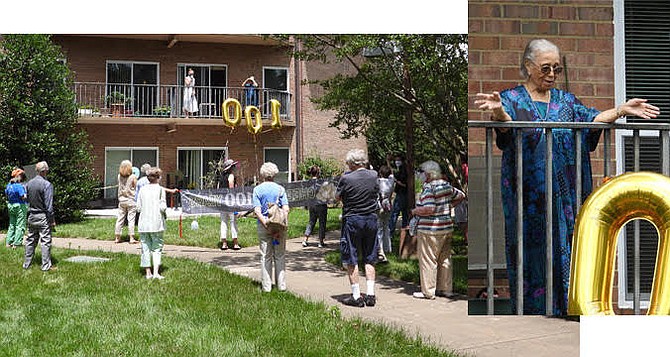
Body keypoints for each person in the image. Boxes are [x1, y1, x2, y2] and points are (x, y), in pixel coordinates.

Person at [474, 38, 660, 315]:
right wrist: (499, 111)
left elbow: (591, 119)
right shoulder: (512, 99)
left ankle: (569, 311)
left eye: (557, 70)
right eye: (545, 68)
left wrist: (621, 110)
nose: (551, 75)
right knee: (531, 253)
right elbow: (506, 127)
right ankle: (534, 314)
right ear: (528, 66)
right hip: (529, 200)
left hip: (567, 197)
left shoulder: (566, 101)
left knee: (571, 249)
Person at [410, 161, 464, 300]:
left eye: (421, 172)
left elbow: (429, 209)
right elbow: (461, 196)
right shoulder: (446, 185)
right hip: (446, 227)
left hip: (430, 229)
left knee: (428, 260)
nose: (420, 175)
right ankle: (445, 289)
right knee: (445, 259)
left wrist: (415, 211)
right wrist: (447, 207)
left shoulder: (429, 188)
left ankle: (428, 291)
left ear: (428, 173)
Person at [337, 149, 380, 307]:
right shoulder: (374, 175)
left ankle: (356, 296)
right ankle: (370, 294)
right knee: (370, 256)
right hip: (371, 218)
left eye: (348, 163)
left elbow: (337, 197)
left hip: (353, 219)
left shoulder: (346, 178)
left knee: (351, 257)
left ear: (353, 163)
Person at [253, 162, 290, 292]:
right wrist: (279, 225)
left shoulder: (257, 189)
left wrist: (266, 224)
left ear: (263, 174)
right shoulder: (280, 189)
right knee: (280, 255)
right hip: (279, 226)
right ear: (274, 173)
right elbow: (286, 209)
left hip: (264, 226)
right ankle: (281, 286)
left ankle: (266, 287)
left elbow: (257, 211)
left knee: (265, 256)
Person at [23, 161, 56, 271]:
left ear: (37, 171)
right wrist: (52, 220)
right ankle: (46, 266)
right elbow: (49, 206)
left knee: (30, 240)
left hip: (32, 215)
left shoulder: (29, 183)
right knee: (45, 241)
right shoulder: (47, 184)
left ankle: (26, 264)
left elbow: (26, 199)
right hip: (43, 217)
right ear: (46, 170)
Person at [136, 167, 168, 279]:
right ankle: (156, 273)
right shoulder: (160, 190)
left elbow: (138, 208)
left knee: (145, 248)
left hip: (143, 223)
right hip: (156, 223)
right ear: (158, 178)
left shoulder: (142, 190)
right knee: (156, 248)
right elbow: (163, 207)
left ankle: (148, 273)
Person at [302, 165, 328, 248]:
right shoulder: (321, 183)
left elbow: (306, 194)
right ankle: (320, 241)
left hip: (312, 205)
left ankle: (305, 239)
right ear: (318, 173)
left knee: (311, 222)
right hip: (321, 204)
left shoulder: (308, 183)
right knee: (322, 223)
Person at [219, 158, 241, 251]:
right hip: (230, 201)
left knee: (223, 222)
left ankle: (224, 243)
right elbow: (231, 187)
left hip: (222, 202)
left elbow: (218, 189)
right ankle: (235, 243)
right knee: (233, 222)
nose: (235, 168)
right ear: (230, 168)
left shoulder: (220, 177)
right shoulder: (231, 176)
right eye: (233, 166)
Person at [115, 160, 138, 244]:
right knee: (131, 219)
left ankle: (117, 237)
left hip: (121, 200)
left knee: (120, 218)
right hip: (131, 200)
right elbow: (136, 187)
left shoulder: (119, 176)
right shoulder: (133, 177)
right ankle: (131, 238)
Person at [5, 168, 28, 249]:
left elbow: (7, 196)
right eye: (21, 176)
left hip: (11, 206)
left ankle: (8, 242)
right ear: (18, 176)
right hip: (20, 206)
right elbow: (23, 197)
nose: (22, 177)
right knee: (20, 225)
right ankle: (17, 244)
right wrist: (27, 195)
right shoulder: (19, 186)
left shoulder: (8, 186)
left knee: (12, 224)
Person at [376, 165, 395, 262]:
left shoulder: (378, 182)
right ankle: (388, 248)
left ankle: (380, 248)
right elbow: (391, 174)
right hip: (388, 205)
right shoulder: (391, 182)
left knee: (379, 228)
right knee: (386, 227)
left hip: (380, 206)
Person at [388, 154, 409, 238]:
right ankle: (404, 233)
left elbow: (402, 182)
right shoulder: (403, 169)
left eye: (398, 160)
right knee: (404, 214)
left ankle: (391, 233)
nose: (397, 162)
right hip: (403, 194)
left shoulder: (403, 170)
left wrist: (397, 181)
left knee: (394, 213)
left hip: (402, 194)